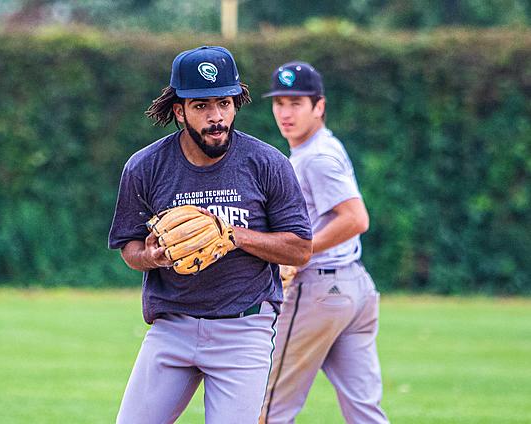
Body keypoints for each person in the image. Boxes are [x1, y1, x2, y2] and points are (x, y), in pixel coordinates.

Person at [108, 46, 313, 424]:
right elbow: (130, 247)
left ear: (236, 103)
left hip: (243, 328)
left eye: (224, 102)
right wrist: (151, 257)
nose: (216, 117)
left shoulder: (267, 163)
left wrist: (232, 235)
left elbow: (300, 249)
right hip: (172, 327)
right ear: (179, 110)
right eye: (201, 105)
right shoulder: (145, 167)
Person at [259, 62, 389, 424]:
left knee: (267, 409)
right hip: (354, 288)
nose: (285, 113)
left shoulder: (317, 158)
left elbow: (355, 218)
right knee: (365, 412)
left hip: (318, 289)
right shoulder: (323, 146)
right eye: (279, 102)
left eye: (296, 103)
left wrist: (297, 251)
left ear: (319, 107)